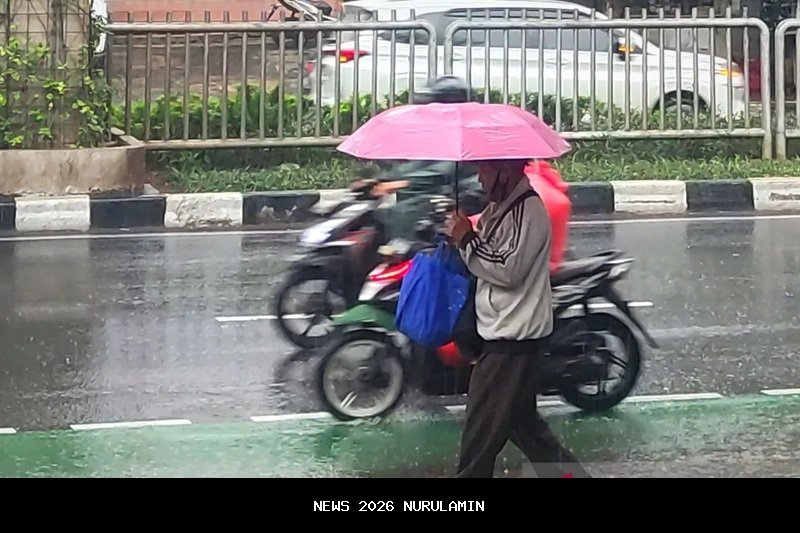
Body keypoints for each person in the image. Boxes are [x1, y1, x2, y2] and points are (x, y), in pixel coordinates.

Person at [445, 159, 589, 479]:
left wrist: (467, 239)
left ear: (505, 170)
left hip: (512, 340)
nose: (479, 179)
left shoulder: (528, 210)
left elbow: (507, 271)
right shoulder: (500, 208)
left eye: (484, 171)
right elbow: (486, 258)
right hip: (501, 333)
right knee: (527, 432)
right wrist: (462, 239)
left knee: (478, 441)